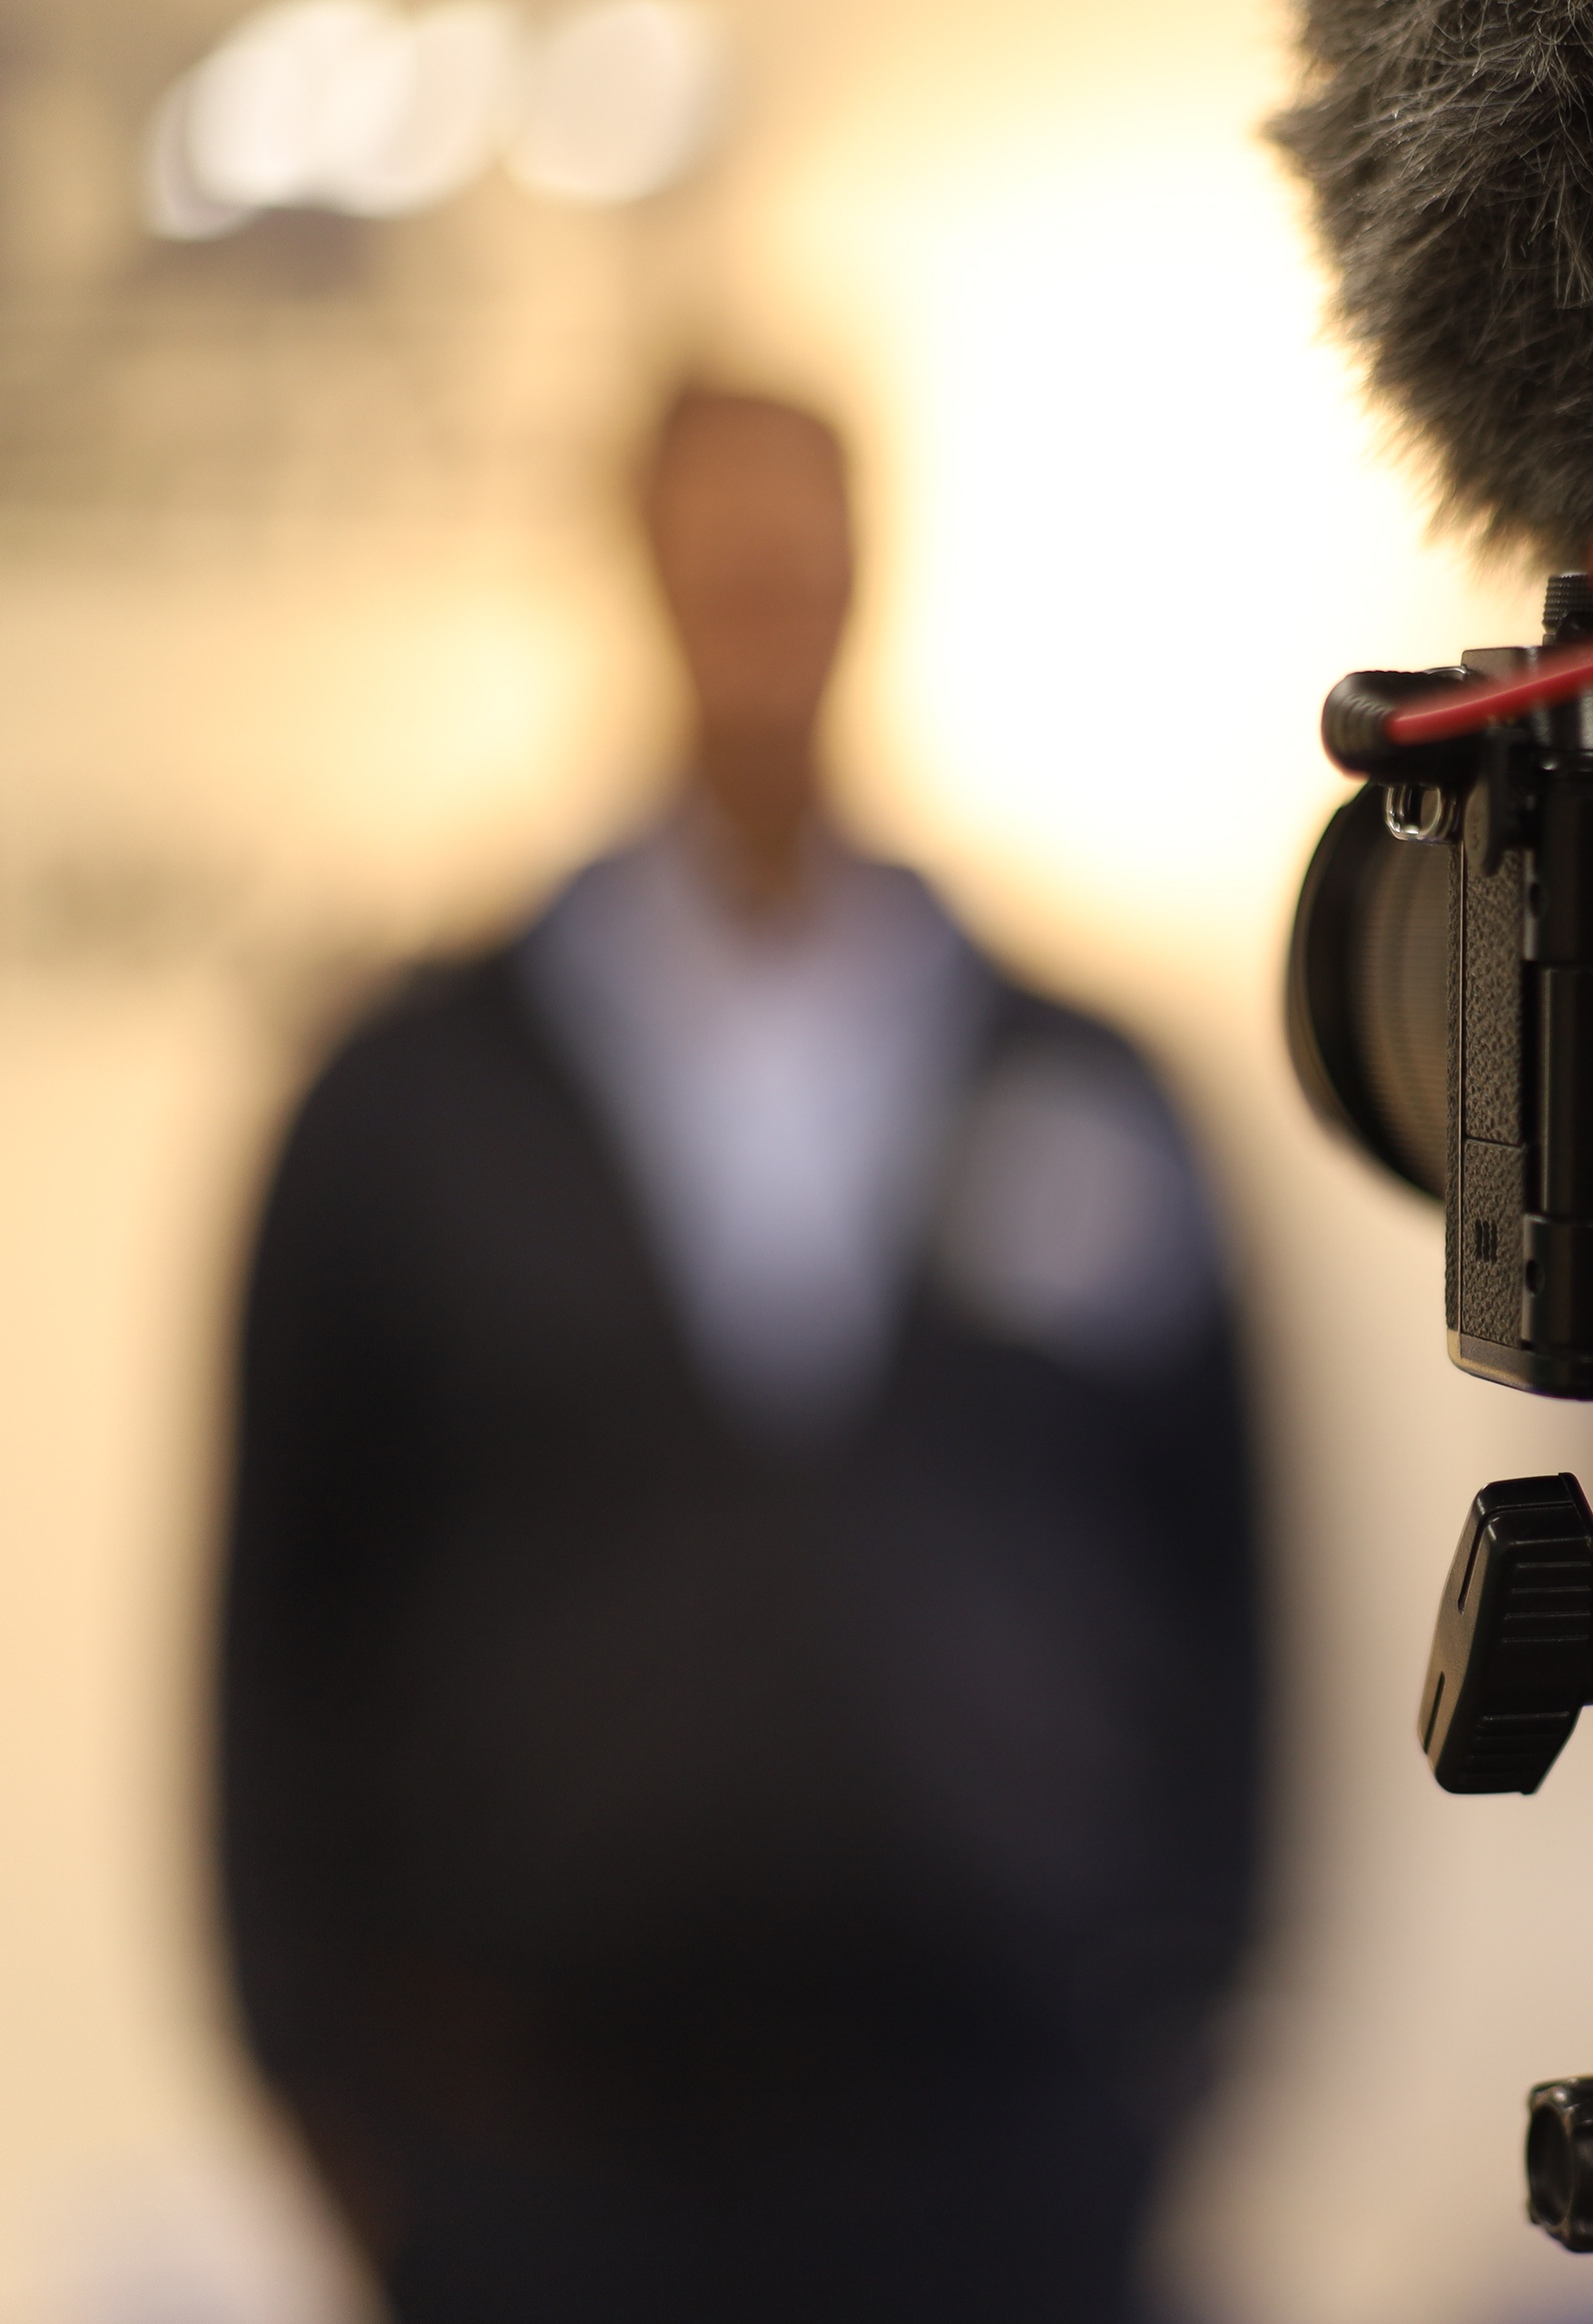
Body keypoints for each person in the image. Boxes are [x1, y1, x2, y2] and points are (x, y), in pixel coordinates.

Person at [213, 386, 1260, 2324]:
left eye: (800, 554)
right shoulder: (407, 1099)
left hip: (1006, 2158)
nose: (764, 599)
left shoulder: (1079, 1076)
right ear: (639, 573)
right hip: (542, 2163)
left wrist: (1168, 2057)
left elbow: (1229, 1579)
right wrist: (339, 2102)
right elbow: (277, 1621)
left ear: (866, 575)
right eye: (723, 557)